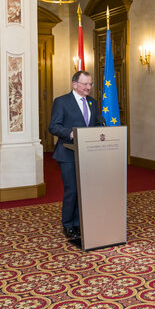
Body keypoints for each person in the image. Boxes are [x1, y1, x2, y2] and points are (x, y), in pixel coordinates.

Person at [49, 70, 103, 239]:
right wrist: (71, 133)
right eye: (85, 84)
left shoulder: (93, 103)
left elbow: (95, 124)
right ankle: (68, 224)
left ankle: (79, 223)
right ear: (74, 84)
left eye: (90, 84)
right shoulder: (62, 102)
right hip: (67, 153)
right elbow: (54, 126)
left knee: (84, 189)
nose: (88, 87)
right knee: (72, 189)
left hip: (87, 153)